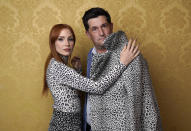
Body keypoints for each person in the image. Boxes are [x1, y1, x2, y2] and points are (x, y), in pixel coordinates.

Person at [42, 24, 140, 131]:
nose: (67, 44)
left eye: (70, 39)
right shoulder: (58, 67)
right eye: (60, 39)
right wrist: (122, 63)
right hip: (65, 123)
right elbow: (97, 88)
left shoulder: (58, 64)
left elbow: (71, 94)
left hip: (70, 120)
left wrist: (77, 71)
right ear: (53, 42)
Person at [82, 7, 162, 131]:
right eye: (94, 29)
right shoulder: (90, 55)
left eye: (104, 26)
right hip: (92, 126)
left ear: (111, 26)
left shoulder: (129, 54)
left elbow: (144, 100)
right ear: (88, 34)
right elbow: (92, 89)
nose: (101, 33)